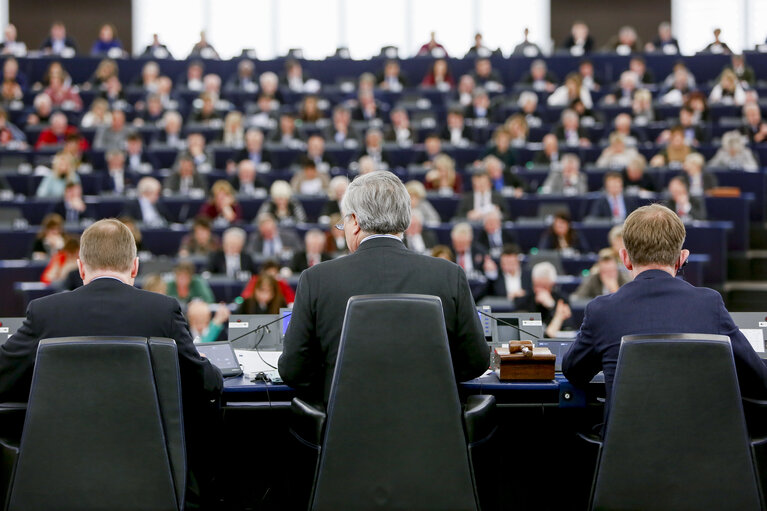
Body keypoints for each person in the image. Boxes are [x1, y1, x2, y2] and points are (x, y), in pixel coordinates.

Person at [0, 219, 223, 503]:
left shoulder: (45, 313)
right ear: (135, 266)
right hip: (149, 480)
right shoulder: (162, 311)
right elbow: (206, 384)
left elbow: (3, 378)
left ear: (80, 267)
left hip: (56, 478)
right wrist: (207, 366)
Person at [279, 171, 489, 405]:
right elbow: (476, 362)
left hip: (346, 433)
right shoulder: (449, 275)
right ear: (405, 219)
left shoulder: (316, 279)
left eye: (344, 223)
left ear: (355, 222)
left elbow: (293, 371)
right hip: (434, 430)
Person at [563, 204, 767, 416]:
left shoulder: (601, 311)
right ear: (682, 258)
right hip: (702, 446)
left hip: (625, 447)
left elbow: (574, 373)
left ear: (625, 258)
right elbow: (760, 380)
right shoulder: (709, 305)